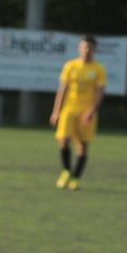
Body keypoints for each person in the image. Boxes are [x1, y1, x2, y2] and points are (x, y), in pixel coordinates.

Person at [50, 35, 106, 191]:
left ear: (94, 49)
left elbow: (100, 93)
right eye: (84, 47)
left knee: (82, 145)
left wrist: (92, 110)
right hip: (69, 109)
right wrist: (56, 111)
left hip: (86, 111)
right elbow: (62, 90)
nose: (87, 50)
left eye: (90, 47)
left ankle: (75, 178)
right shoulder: (71, 66)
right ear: (79, 48)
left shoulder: (98, 69)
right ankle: (66, 171)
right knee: (63, 139)